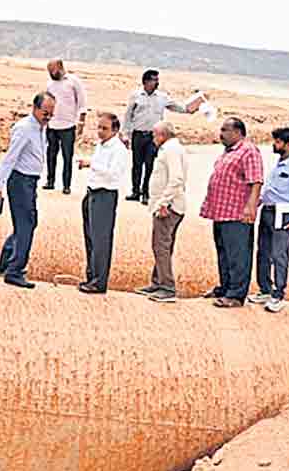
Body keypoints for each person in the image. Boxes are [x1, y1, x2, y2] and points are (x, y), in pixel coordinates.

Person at [199, 117, 264, 309]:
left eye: (225, 130)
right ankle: (226, 287)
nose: (221, 134)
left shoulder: (248, 151)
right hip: (221, 211)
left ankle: (236, 295)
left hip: (237, 213)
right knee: (224, 252)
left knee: (238, 254)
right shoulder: (228, 152)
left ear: (238, 132)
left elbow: (256, 180)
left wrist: (251, 206)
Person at [248, 127, 289, 313]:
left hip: (284, 214)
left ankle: (278, 293)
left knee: (279, 254)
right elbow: (270, 190)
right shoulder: (279, 163)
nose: (274, 145)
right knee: (263, 252)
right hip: (268, 211)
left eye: (277, 142)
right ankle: (265, 289)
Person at [0, 92, 54, 289]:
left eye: (51, 114)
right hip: (20, 182)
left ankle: (7, 258)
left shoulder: (41, 127)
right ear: (35, 108)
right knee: (26, 225)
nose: (48, 117)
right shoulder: (24, 129)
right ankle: (14, 271)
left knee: (28, 222)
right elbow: (9, 158)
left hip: (30, 182)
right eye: (46, 113)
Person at [123, 69, 202, 205]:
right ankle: (135, 191)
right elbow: (128, 115)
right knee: (137, 164)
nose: (157, 82)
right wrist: (126, 134)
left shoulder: (162, 97)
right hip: (138, 134)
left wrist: (192, 108)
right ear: (146, 81)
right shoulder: (136, 96)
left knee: (150, 165)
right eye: (154, 79)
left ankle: (146, 193)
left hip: (154, 137)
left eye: (157, 79)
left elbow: (178, 107)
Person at [135, 120, 188, 303]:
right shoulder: (172, 148)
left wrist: (164, 202)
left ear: (163, 135)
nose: (152, 138)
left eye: (154, 135)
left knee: (161, 246)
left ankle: (167, 287)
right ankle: (157, 282)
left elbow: (176, 178)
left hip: (168, 207)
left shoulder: (171, 150)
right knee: (163, 245)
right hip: (170, 204)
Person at [76, 112, 128, 294]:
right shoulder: (101, 145)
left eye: (105, 128)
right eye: (99, 127)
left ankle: (99, 282)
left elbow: (113, 173)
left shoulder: (119, 150)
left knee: (101, 240)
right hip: (92, 192)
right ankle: (91, 277)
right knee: (90, 237)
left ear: (115, 130)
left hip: (105, 195)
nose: (100, 131)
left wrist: (91, 164)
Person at [44, 59, 88, 195]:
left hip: (68, 126)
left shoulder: (73, 81)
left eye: (52, 70)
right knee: (51, 154)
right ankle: (50, 181)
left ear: (60, 67)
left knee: (67, 156)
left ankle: (66, 185)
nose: (51, 73)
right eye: (49, 71)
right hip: (52, 125)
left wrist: (81, 123)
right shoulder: (50, 84)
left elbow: (82, 103)